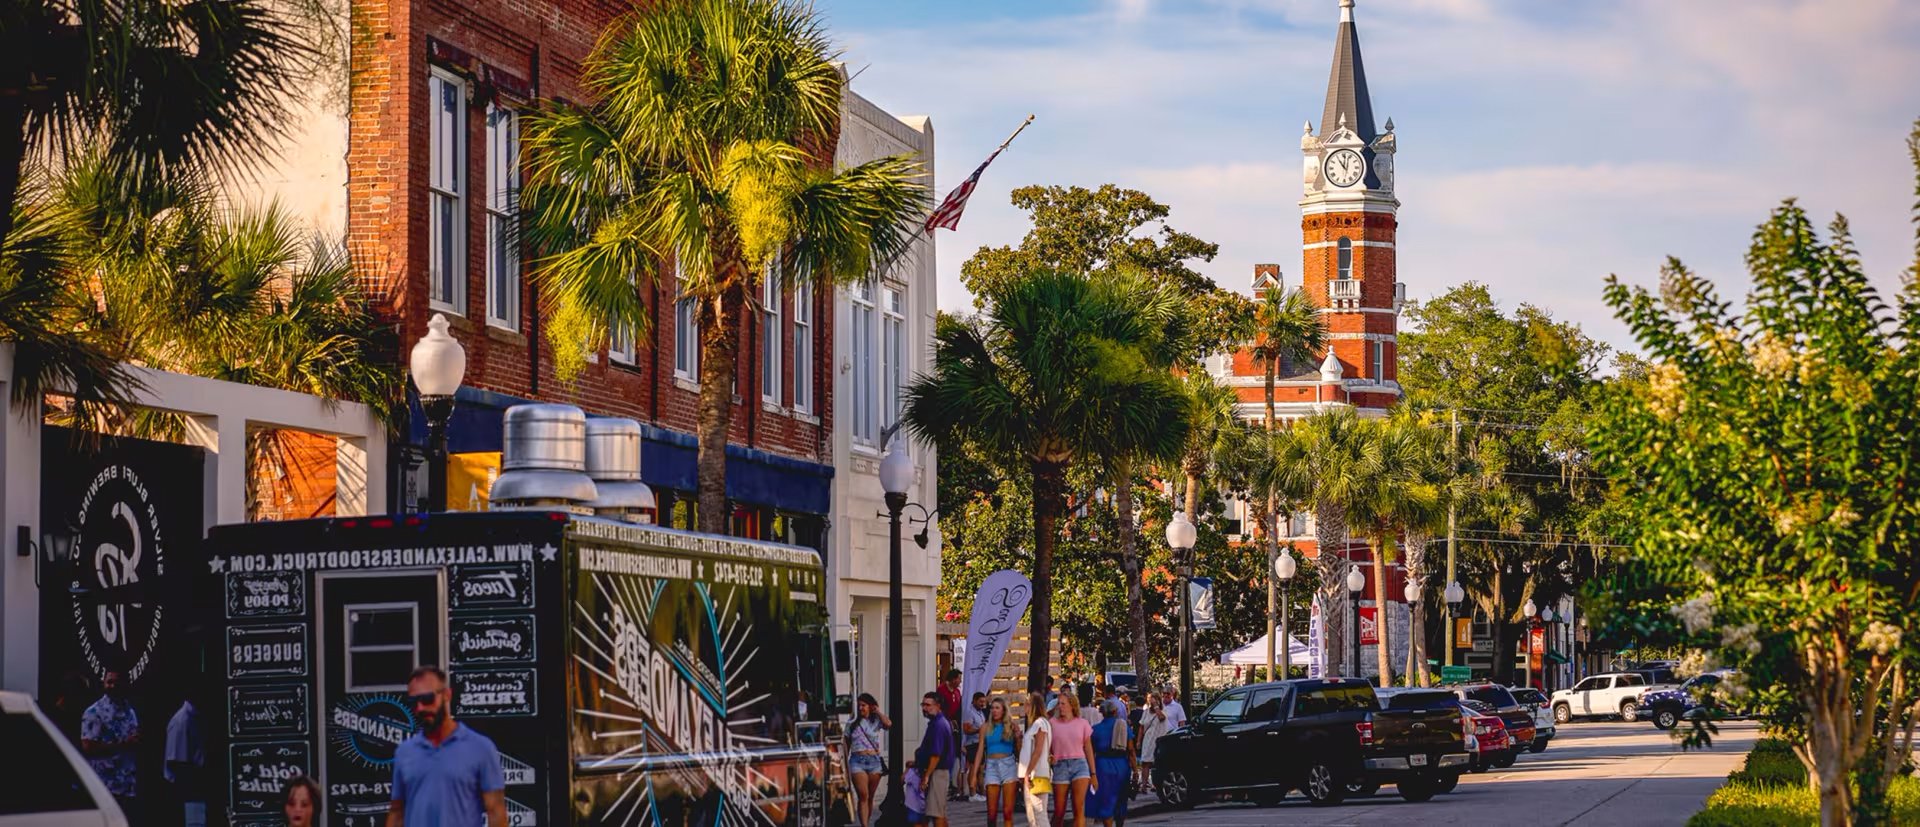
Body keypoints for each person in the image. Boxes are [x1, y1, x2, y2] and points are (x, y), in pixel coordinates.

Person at [386, 666, 508, 827]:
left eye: (427, 699)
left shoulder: (480, 748)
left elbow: (496, 811)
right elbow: (397, 813)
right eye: (413, 702)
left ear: (447, 695)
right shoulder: (404, 752)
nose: (420, 708)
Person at [81, 670, 141, 818]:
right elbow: (88, 747)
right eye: (109, 682)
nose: (112, 686)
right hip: (105, 788)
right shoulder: (94, 712)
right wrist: (123, 745)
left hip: (127, 786)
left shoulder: (130, 712)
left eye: (116, 682)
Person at [969, 697, 1018, 827]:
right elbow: (980, 751)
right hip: (991, 765)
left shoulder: (1011, 726)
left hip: (1009, 764)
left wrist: (1018, 737)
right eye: (992, 708)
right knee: (991, 813)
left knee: (1008, 812)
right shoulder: (985, 727)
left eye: (997, 708)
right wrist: (973, 775)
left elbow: (1018, 749)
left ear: (1003, 710)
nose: (994, 711)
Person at [1049, 692, 1096, 827]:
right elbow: (1046, 745)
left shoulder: (1082, 723)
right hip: (1060, 765)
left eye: (1063, 703)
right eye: (1059, 703)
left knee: (1078, 808)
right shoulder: (1052, 723)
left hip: (1080, 765)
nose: (1060, 707)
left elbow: (1088, 749)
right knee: (1059, 810)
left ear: (1072, 705)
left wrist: (1093, 773)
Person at [846, 693, 890, 827]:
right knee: (863, 795)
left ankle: (866, 822)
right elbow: (845, 743)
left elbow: (888, 724)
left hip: (874, 761)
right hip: (857, 760)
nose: (860, 708)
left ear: (870, 706)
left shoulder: (876, 721)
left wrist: (878, 711)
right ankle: (864, 825)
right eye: (858, 705)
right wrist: (844, 765)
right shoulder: (852, 722)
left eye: (863, 705)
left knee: (870, 797)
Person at [165, 693, 208, 827]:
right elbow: (177, 763)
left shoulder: (196, 717)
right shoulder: (182, 721)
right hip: (189, 791)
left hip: (196, 789)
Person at [915, 692, 957, 827]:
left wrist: (926, 776)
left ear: (938, 706)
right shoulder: (937, 722)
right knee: (937, 812)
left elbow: (936, 755)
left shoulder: (939, 724)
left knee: (935, 813)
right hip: (937, 771)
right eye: (923, 704)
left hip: (937, 772)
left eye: (928, 705)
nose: (924, 708)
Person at [1086, 700, 1130, 826]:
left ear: (1102, 713)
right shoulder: (1123, 726)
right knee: (1121, 798)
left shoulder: (1095, 729)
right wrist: (1134, 768)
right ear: (1115, 711)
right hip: (1121, 764)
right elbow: (1131, 749)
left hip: (1102, 766)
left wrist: (1092, 771)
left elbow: (1091, 751)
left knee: (1106, 799)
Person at [1018, 693, 1053, 827]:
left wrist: (1027, 773)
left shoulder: (1039, 724)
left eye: (1026, 705)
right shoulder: (1039, 723)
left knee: (1038, 814)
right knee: (1033, 815)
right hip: (1036, 772)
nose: (1024, 708)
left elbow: (1037, 751)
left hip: (1036, 774)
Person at [936, 670, 963, 799]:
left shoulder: (957, 692)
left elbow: (958, 709)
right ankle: (944, 785)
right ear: (952, 679)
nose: (960, 682)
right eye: (958, 679)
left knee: (953, 754)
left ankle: (952, 784)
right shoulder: (941, 690)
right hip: (945, 725)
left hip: (955, 728)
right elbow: (940, 708)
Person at [1135, 694, 1168, 795]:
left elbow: (1162, 718)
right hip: (1148, 740)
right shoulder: (1146, 712)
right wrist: (1139, 741)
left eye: (1153, 701)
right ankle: (1144, 785)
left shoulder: (1163, 711)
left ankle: (1157, 785)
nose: (1151, 703)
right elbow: (1141, 727)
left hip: (1159, 740)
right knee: (1145, 763)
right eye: (1150, 701)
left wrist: (1156, 707)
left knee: (1158, 763)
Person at [961, 692, 988, 802]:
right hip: (972, 744)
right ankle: (972, 793)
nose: (982, 704)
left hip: (980, 743)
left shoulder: (981, 713)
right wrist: (979, 730)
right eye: (980, 701)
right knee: (973, 768)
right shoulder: (969, 712)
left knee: (981, 769)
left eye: (984, 701)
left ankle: (981, 792)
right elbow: (966, 729)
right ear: (974, 700)